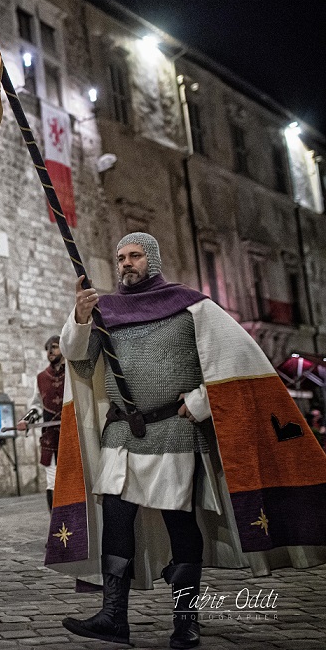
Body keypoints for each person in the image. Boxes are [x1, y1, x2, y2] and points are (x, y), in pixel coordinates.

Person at [49, 232, 326, 649]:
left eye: (135, 255)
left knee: (180, 523)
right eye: (121, 257)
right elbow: (81, 361)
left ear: (153, 259)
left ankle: (186, 621)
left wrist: (200, 401)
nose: (126, 263)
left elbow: (235, 357)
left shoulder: (190, 305)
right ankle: (113, 616)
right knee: (118, 521)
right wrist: (81, 318)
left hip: (173, 432)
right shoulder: (106, 310)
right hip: (122, 431)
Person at [20, 335, 64, 512]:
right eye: (47, 348)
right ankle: (56, 533)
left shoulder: (74, 373)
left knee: (77, 482)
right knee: (52, 483)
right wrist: (27, 419)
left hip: (72, 436)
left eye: (54, 347)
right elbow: (37, 405)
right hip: (50, 438)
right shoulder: (41, 378)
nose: (50, 351)